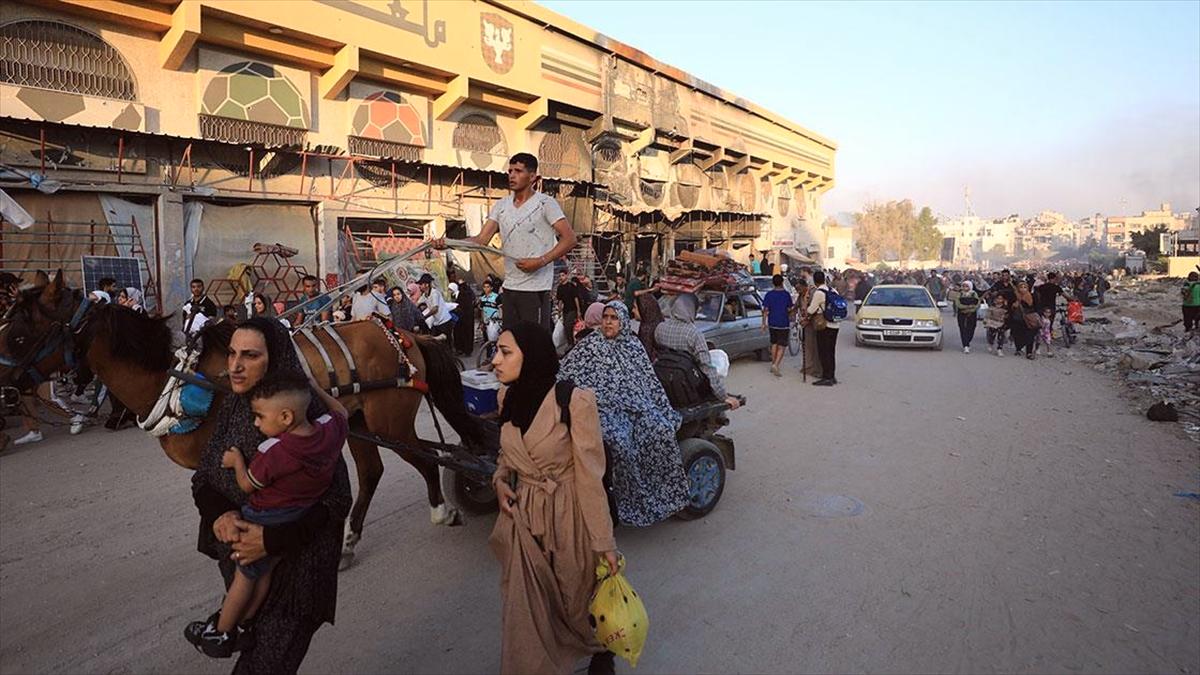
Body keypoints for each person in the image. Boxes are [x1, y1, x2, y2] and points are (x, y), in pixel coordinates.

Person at [187, 317, 351, 673]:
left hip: (297, 580)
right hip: (244, 567)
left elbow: (337, 501)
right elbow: (204, 477)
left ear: (275, 359)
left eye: (250, 355)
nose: (235, 366)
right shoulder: (235, 406)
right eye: (231, 354)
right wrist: (221, 514)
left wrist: (272, 539)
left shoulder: (305, 422)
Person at [487, 322, 619, 675]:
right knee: (526, 611)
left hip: (567, 515)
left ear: (531, 356)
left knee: (575, 603)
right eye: (496, 351)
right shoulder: (507, 398)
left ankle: (600, 652)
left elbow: (591, 478)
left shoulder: (574, 402)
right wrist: (500, 483)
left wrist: (603, 542)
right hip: (524, 521)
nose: (495, 361)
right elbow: (506, 459)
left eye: (505, 352)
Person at [560, 301, 689, 524]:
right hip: (604, 409)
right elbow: (565, 373)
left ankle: (665, 496)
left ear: (623, 321)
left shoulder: (634, 346)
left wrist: (659, 407)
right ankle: (625, 504)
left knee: (660, 431)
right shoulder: (589, 345)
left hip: (637, 406)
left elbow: (649, 382)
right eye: (606, 317)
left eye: (613, 318)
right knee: (619, 443)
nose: (608, 322)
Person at [445, 153, 576, 332]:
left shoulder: (546, 204)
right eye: (510, 171)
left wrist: (540, 261)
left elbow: (570, 239)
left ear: (532, 177)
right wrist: (448, 243)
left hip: (535, 289)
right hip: (510, 287)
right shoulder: (501, 206)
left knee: (533, 346)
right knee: (510, 342)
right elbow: (481, 240)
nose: (512, 175)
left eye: (518, 171)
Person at [655, 294, 740, 410]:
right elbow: (706, 366)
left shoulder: (660, 328)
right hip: (689, 384)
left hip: (665, 381)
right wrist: (723, 395)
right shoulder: (694, 334)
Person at [806, 270, 840, 386]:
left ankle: (826, 377)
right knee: (831, 351)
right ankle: (832, 376)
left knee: (823, 352)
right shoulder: (833, 290)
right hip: (835, 324)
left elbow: (811, 310)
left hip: (824, 325)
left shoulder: (819, 293)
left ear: (815, 281)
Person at [761, 274, 793, 377]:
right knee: (782, 345)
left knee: (774, 343)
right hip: (783, 323)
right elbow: (789, 309)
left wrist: (763, 323)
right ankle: (776, 364)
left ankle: (773, 364)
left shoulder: (769, 295)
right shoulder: (786, 295)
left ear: (773, 283)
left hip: (772, 323)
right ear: (782, 283)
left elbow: (765, 310)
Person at [417, 273, 455, 339]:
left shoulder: (434, 293)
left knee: (446, 343)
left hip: (444, 321)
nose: (419, 286)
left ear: (427, 285)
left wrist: (425, 317)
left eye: (421, 284)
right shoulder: (424, 295)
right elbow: (416, 304)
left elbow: (435, 309)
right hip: (437, 323)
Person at [449, 270, 477, 356]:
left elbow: (465, 305)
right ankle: (461, 349)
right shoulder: (456, 294)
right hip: (461, 318)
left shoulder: (463, 294)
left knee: (467, 333)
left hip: (466, 317)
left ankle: (467, 350)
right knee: (460, 333)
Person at [1009, 281, 1037, 359]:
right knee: (1017, 334)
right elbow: (1010, 307)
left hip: (1028, 319)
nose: (1023, 289)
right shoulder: (1014, 296)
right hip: (1017, 318)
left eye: (1025, 287)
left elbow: (1034, 306)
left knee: (1030, 336)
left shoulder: (1031, 296)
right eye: (1021, 287)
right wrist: (1014, 305)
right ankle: (1018, 348)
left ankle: (1029, 352)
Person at [953, 281, 981, 353]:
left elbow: (977, 303)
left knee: (971, 327)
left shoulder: (974, 294)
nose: (965, 288)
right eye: (964, 286)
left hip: (972, 313)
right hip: (962, 313)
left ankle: (967, 340)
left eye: (967, 286)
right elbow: (957, 303)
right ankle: (965, 345)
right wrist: (966, 307)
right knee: (962, 328)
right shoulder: (960, 294)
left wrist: (971, 309)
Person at [555, 270, 580, 347]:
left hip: (572, 309)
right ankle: (569, 343)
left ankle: (571, 343)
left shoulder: (571, 286)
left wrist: (578, 310)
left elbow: (576, 298)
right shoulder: (560, 288)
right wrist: (559, 311)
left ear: (566, 276)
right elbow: (560, 301)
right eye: (560, 276)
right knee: (566, 327)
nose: (561, 277)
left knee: (568, 325)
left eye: (563, 275)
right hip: (565, 310)